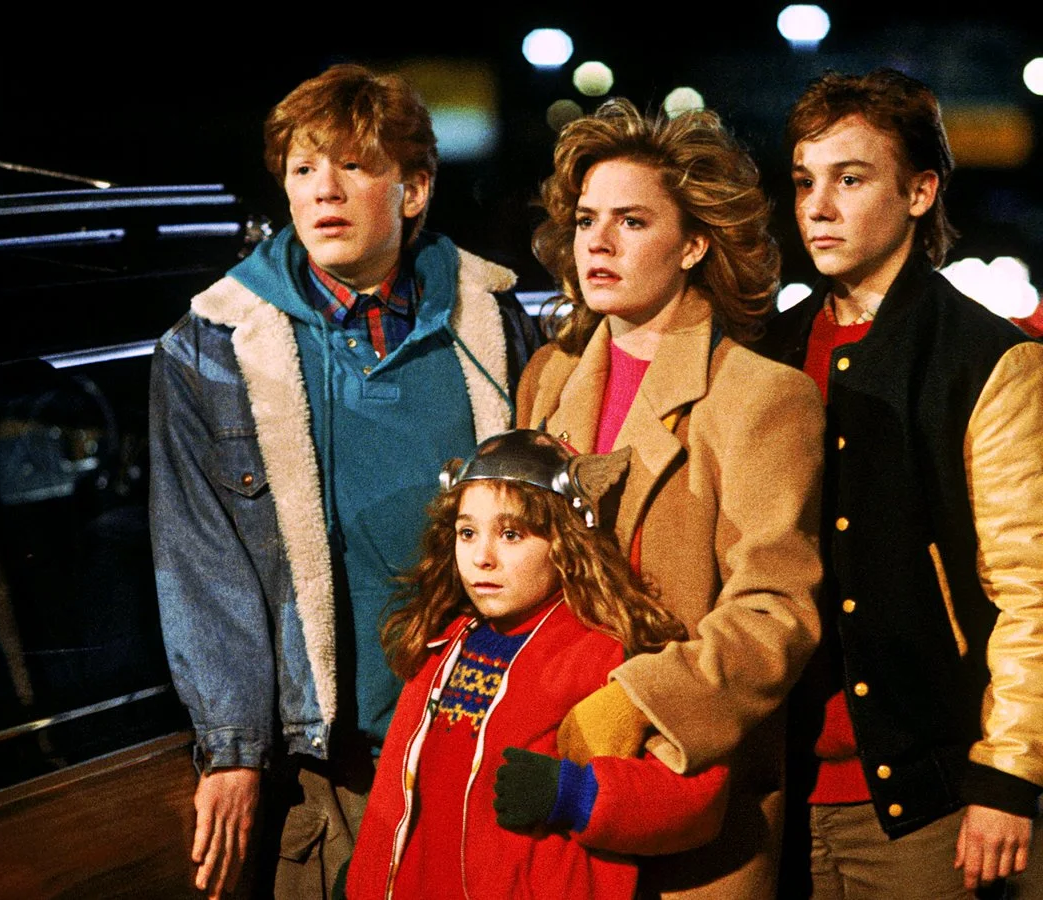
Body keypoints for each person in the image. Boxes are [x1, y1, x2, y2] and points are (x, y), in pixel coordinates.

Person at [149, 63, 543, 899]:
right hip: (331, 773)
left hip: (480, 745)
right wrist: (233, 749)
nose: (323, 189)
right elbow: (202, 563)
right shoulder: (211, 347)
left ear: (414, 189)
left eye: (354, 166)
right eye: (303, 168)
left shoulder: (491, 321)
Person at [514, 97, 826, 898]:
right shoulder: (548, 377)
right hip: (550, 783)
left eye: (632, 222)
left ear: (693, 244)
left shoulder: (760, 395)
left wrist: (639, 706)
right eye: (587, 221)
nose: (599, 243)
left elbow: (776, 611)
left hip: (681, 796)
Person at [754, 67, 1042, 899]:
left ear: (920, 192)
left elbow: (1029, 589)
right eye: (804, 181)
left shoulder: (986, 358)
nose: (818, 207)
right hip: (778, 790)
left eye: (850, 179)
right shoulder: (769, 352)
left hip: (932, 799)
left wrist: (1008, 775)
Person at [344, 429, 730, 899]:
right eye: (468, 533)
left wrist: (575, 795)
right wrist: (366, 879)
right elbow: (396, 795)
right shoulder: (442, 647)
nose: (482, 557)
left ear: (563, 542)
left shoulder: (605, 655)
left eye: (511, 534)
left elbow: (698, 794)